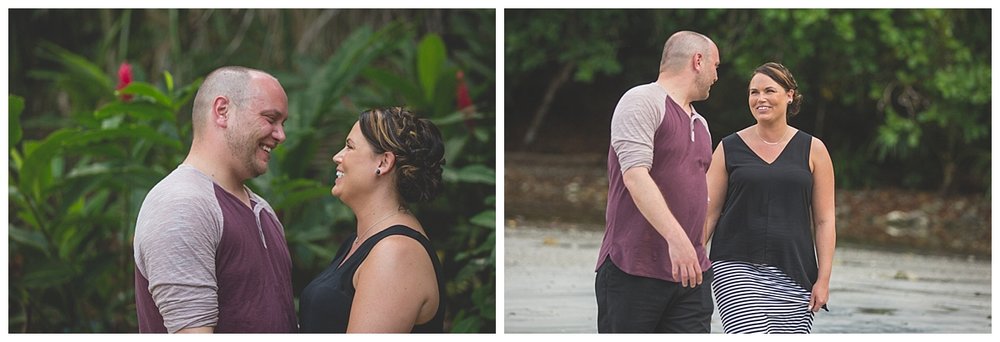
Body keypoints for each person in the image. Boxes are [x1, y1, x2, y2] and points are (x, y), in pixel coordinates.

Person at [133, 66, 296, 333]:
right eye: (270, 118)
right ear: (222, 111)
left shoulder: (263, 211)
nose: (280, 135)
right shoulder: (182, 204)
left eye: (282, 124)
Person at [595, 30, 720, 333]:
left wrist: (697, 249)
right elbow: (636, 176)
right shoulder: (641, 101)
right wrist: (677, 241)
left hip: (691, 275)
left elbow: (699, 194)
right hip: (634, 268)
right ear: (698, 61)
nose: (717, 75)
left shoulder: (700, 124)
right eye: (716, 66)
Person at [703, 62, 836, 333]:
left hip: (795, 270)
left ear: (789, 95)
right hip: (735, 265)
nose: (760, 98)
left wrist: (823, 280)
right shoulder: (728, 148)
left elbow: (824, 221)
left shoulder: (814, 150)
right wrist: (692, 255)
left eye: (769, 91)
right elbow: (708, 212)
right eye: (754, 92)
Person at [298, 107, 446, 333]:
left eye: (349, 147)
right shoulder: (358, 242)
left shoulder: (397, 254)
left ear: (383, 163)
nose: (337, 157)